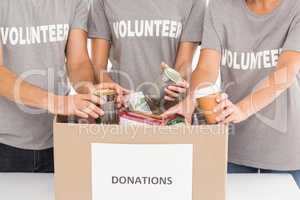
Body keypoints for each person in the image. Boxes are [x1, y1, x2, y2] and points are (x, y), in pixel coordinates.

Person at [163, 0, 300, 187]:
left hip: (286, 153)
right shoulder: (220, 6)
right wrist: (191, 100)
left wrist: (242, 110)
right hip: (232, 151)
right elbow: (206, 68)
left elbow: (286, 71)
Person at [0, 0, 126, 172]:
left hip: (59, 137)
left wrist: (89, 89)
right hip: (6, 141)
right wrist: (59, 102)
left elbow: (78, 62)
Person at [88, 0, 207, 106]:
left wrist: (175, 82)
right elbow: (98, 66)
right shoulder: (102, 2)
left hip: (169, 111)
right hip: (121, 110)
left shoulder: (194, 2)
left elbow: (184, 62)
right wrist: (115, 93)